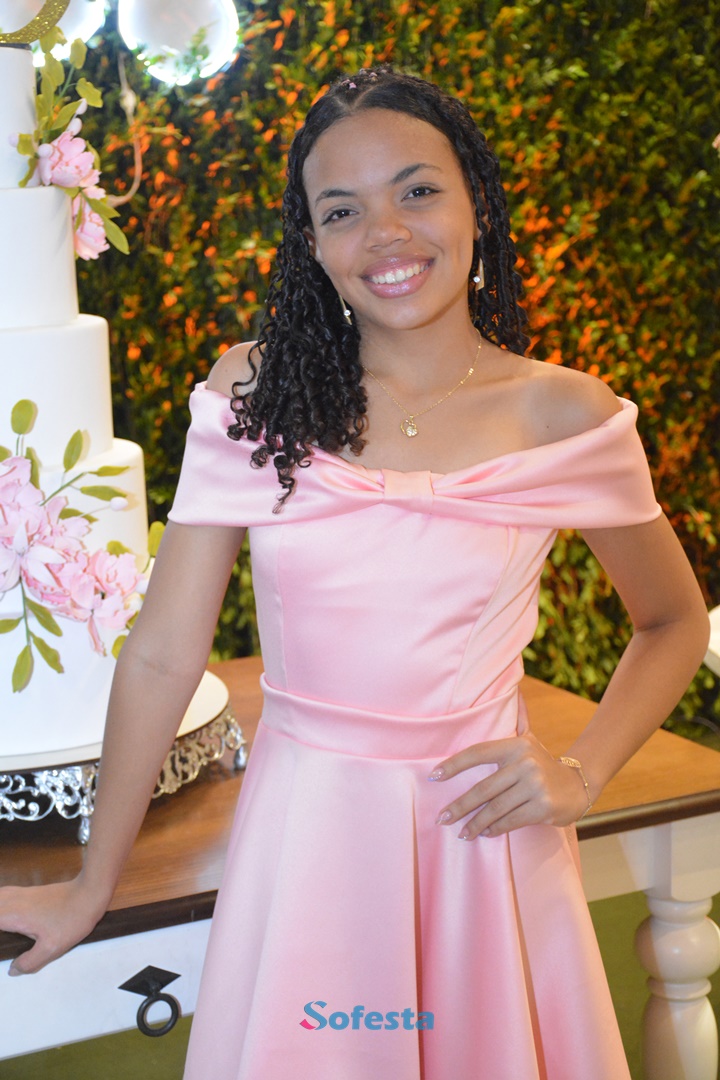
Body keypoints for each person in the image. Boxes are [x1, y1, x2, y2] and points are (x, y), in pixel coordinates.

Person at [0, 66, 710, 1080]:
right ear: (312, 243)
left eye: (417, 190)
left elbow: (672, 621)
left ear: (476, 201)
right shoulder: (254, 393)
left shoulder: (566, 415)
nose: (386, 232)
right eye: (343, 210)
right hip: (308, 840)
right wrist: (88, 885)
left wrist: (582, 770)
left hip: (482, 843)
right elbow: (162, 653)